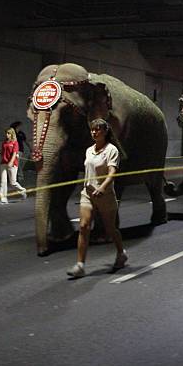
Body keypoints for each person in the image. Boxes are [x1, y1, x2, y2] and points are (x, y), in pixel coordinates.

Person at [67, 119, 128, 278]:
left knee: (110, 229)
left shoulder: (111, 150)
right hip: (87, 194)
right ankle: (80, 265)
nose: (94, 132)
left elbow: (112, 172)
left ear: (105, 131)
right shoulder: (89, 150)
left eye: (97, 130)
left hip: (105, 195)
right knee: (84, 226)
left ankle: (121, 253)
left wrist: (102, 187)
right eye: (92, 130)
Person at [0, 127, 27, 204]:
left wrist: (11, 162)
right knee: (3, 182)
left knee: (13, 183)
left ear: (12, 134)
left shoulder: (15, 142)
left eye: (8, 133)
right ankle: (4, 199)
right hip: (3, 163)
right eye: (6, 133)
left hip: (12, 164)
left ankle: (22, 191)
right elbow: (2, 152)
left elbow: (15, 153)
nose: (6, 135)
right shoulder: (4, 142)